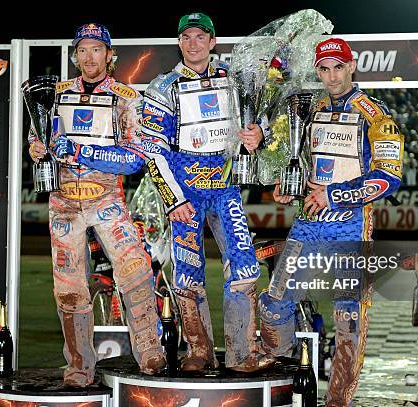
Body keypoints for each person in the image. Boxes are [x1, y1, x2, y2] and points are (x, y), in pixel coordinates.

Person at [54, 13, 272, 373]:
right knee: (187, 272)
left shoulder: (235, 82)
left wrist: (258, 134)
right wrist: (174, 200)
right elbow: (153, 150)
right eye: (186, 37)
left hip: (225, 189)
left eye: (201, 37)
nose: (193, 43)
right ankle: (198, 352)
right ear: (179, 43)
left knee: (245, 267)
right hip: (185, 191)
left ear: (212, 42)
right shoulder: (162, 87)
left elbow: (259, 117)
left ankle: (243, 353)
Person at [28, 23, 183, 386]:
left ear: (109, 55)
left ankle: (151, 356)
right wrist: (36, 148)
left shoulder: (126, 97)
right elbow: (39, 140)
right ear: (74, 56)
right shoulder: (56, 93)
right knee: (69, 288)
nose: (89, 56)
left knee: (135, 272)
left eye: (96, 49)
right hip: (63, 204)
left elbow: (133, 159)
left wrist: (82, 152)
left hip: (106, 200)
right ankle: (79, 368)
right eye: (82, 50)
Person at [259, 38, 403, 406]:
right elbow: (303, 160)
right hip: (308, 221)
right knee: (275, 302)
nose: (331, 75)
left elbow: (389, 177)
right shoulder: (314, 107)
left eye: (338, 67)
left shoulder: (376, 114)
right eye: (324, 69)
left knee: (347, 320)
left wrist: (334, 194)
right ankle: (282, 377)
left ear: (351, 66)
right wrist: (289, 185)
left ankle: (338, 399)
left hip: (350, 225)